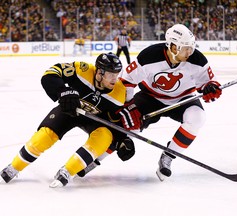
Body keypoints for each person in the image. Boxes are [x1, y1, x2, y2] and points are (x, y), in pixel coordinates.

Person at [76, 23, 223, 181]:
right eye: (185, 48)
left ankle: (168, 156)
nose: (190, 52)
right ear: (173, 47)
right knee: (124, 126)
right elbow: (126, 81)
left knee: (198, 118)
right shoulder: (149, 56)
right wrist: (129, 105)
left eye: (191, 47)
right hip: (150, 97)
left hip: (182, 99)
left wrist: (211, 89)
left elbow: (208, 84)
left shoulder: (197, 60)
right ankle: (95, 159)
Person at [0, 52, 141, 187]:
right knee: (45, 135)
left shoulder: (119, 92)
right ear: (99, 73)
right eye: (110, 74)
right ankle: (14, 167)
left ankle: (68, 171)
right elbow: (51, 73)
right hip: (69, 110)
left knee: (104, 137)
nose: (114, 79)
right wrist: (62, 91)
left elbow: (115, 120)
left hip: (93, 120)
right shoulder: (82, 70)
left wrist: (123, 138)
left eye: (116, 74)